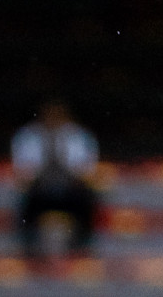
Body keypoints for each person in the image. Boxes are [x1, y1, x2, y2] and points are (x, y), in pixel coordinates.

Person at [12, 100, 99, 256]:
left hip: (70, 190)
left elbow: (86, 170)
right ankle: (28, 245)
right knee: (23, 199)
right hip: (40, 191)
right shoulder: (28, 136)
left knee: (88, 198)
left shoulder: (79, 136)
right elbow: (23, 172)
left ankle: (83, 244)